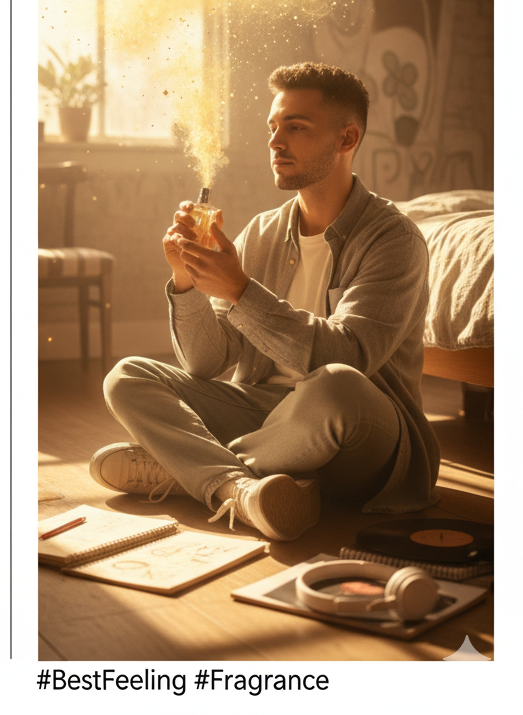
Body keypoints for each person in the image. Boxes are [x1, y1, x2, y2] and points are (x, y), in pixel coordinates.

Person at [90, 62, 440, 541]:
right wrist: (186, 280)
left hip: (359, 434)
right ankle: (240, 489)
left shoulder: (394, 239)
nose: (275, 142)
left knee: (335, 385)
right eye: (273, 128)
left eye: (296, 128)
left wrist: (238, 290)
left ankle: (192, 470)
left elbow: (349, 357)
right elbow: (206, 362)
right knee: (128, 374)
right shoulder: (263, 232)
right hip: (267, 413)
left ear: (346, 139)